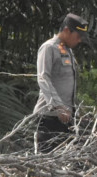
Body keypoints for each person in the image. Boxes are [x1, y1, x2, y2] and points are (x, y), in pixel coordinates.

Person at [34, 13, 87, 150]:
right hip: (50, 116)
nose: (79, 41)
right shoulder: (49, 48)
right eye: (78, 36)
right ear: (66, 31)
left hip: (66, 118)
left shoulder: (67, 50)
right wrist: (58, 106)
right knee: (46, 162)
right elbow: (43, 78)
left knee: (67, 163)